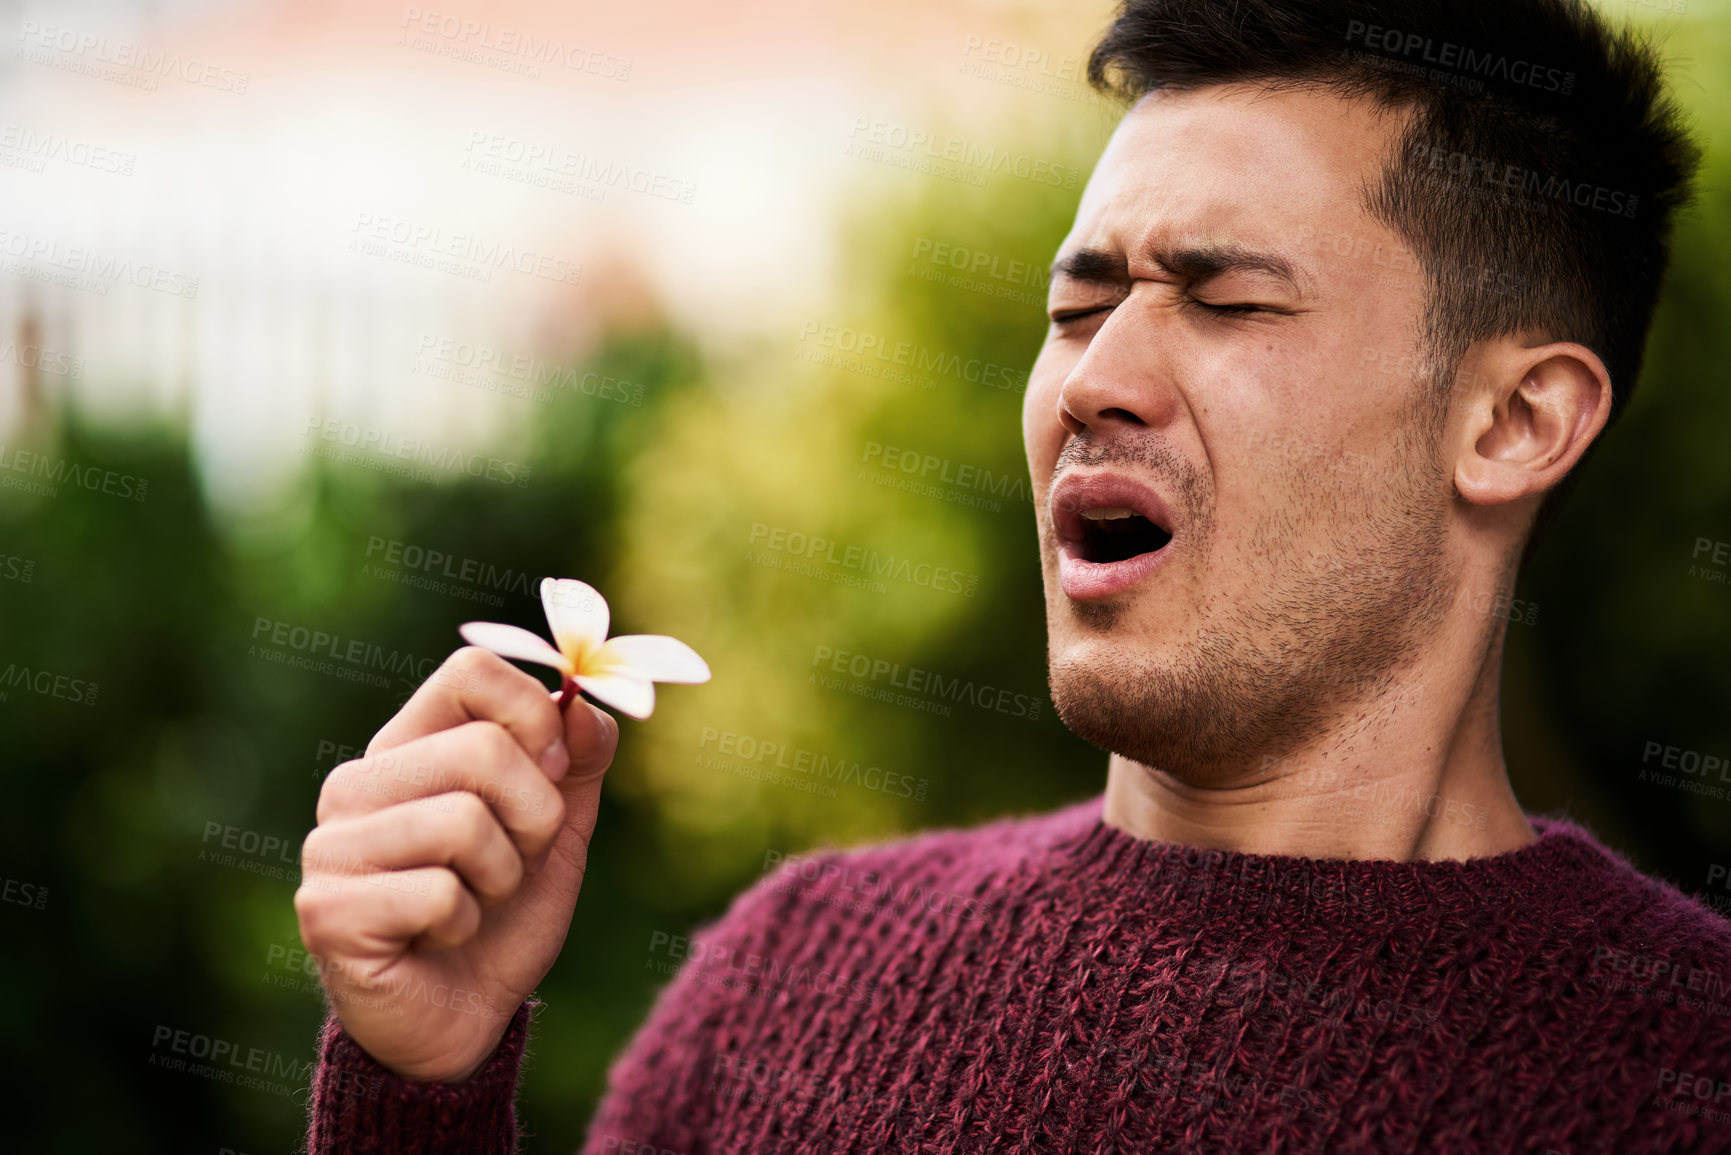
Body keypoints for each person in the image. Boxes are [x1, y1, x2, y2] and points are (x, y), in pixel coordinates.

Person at [295, 1, 1731, 1151]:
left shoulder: (1686, 1070)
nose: (1095, 380)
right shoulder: (787, 981)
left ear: (1513, 422)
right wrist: (419, 1090)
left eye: (1224, 300)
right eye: (1078, 305)